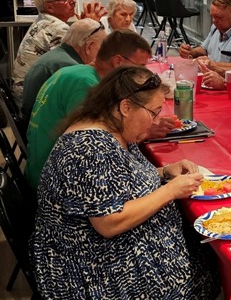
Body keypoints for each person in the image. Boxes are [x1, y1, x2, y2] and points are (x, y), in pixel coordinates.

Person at [30, 66, 217, 300]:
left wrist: (164, 173)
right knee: (177, 277)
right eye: (153, 112)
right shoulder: (89, 147)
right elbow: (109, 221)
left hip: (92, 247)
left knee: (201, 252)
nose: (155, 120)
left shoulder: (110, 133)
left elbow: (122, 185)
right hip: (81, 265)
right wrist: (171, 190)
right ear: (125, 107)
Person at [26, 30, 171, 189]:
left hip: (42, 167)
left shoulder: (76, 72)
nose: (146, 73)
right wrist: (144, 131)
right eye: (141, 66)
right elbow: (99, 141)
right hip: (54, 183)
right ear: (117, 61)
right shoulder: (86, 84)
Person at [11, 0, 106, 105]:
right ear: (50, 7)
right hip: (34, 102)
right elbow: (81, 64)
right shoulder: (57, 28)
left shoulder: (43, 21)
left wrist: (84, 28)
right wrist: (92, 29)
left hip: (24, 95)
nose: (73, 1)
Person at [21, 18, 106, 123]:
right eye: (103, 47)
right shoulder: (71, 68)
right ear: (89, 47)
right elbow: (85, 119)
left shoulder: (59, 56)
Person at [178, 0, 231, 72]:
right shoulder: (215, 28)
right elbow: (204, 49)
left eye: (219, 17)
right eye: (212, 16)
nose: (214, 21)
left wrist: (212, 64)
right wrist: (191, 52)